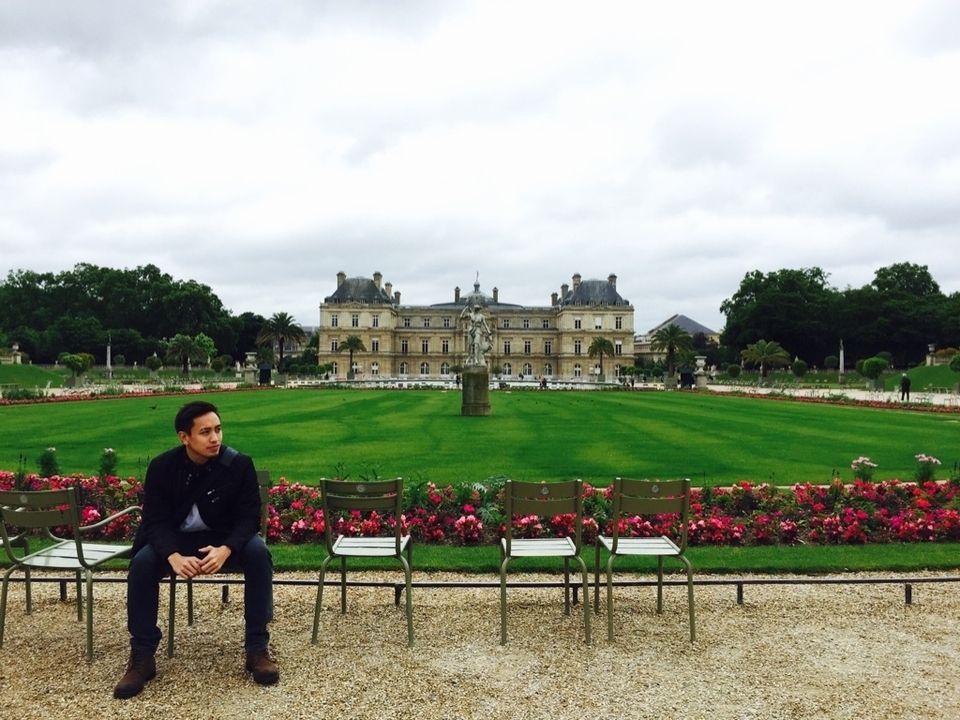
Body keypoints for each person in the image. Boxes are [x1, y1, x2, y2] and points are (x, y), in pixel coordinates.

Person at [114, 400, 278, 699]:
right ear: (184, 437)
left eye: (218, 429)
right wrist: (172, 555)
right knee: (142, 563)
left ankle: (257, 649)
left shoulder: (238, 464)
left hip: (224, 539)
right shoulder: (163, 467)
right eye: (205, 432)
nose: (215, 438)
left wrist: (226, 548)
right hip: (176, 542)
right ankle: (142, 655)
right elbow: (156, 521)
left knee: (258, 553)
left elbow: (249, 518)